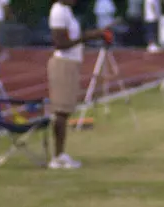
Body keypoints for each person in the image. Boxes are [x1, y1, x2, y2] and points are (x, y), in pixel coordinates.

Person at [47, 0, 108, 169]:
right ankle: (57, 156)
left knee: (65, 111)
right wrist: (87, 37)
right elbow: (60, 43)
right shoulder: (58, 11)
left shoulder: (66, 11)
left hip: (70, 63)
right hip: (63, 63)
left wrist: (92, 34)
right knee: (60, 111)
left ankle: (60, 154)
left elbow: (71, 38)